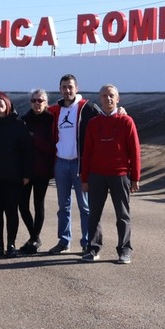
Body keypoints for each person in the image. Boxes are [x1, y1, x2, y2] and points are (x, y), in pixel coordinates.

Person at [80, 84, 141, 265]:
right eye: (104, 96)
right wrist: (84, 178)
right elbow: (87, 152)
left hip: (120, 175)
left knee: (122, 215)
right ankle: (93, 248)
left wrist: (135, 177)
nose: (108, 99)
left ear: (117, 99)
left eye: (111, 96)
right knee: (94, 214)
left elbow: (135, 151)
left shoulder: (126, 121)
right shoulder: (93, 123)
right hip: (96, 175)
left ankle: (124, 250)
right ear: (100, 98)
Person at [46, 74, 102, 255]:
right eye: (64, 87)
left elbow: (106, 119)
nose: (67, 90)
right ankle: (64, 241)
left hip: (80, 164)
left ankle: (87, 242)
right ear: (60, 89)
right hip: (61, 163)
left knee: (85, 207)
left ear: (76, 88)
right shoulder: (55, 110)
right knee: (63, 206)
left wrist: (121, 112)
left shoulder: (88, 108)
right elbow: (33, 117)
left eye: (70, 87)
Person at [0, 91, 32, 257]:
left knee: (11, 210)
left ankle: (11, 244)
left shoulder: (18, 124)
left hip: (14, 175)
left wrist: (26, 173)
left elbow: (27, 152)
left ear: (7, 102)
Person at [18, 88, 56, 254]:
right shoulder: (24, 119)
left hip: (42, 169)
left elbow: (51, 146)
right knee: (22, 205)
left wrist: (35, 139)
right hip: (26, 170)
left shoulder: (51, 120)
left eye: (40, 100)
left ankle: (34, 238)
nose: (37, 103)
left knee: (38, 204)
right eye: (34, 100)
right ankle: (34, 237)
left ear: (46, 102)